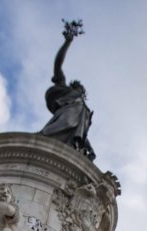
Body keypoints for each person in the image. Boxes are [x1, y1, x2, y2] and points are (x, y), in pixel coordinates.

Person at [39, 20, 96, 160]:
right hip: (59, 126)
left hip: (70, 140)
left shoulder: (83, 108)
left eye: (83, 90)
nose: (82, 90)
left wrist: (89, 148)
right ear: (75, 86)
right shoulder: (65, 88)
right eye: (80, 87)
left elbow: (80, 131)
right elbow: (58, 64)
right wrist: (67, 42)